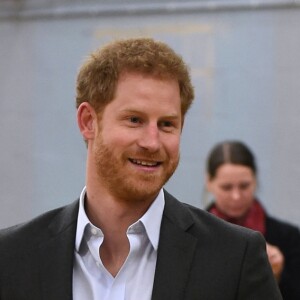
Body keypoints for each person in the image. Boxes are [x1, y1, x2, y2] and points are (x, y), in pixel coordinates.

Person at [0, 38, 282, 300]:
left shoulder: (234, 257)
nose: (152, 142)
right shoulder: (11, 257)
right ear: (88, 122)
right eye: (134, 119)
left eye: (167, 124)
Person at [205, 140, 300, 299]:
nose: (236, 196)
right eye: (226, 187)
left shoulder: (288, 238)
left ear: (255, 181)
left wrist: (278, 275)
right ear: (209, 183)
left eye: (244, 186)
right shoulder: (192, 235)